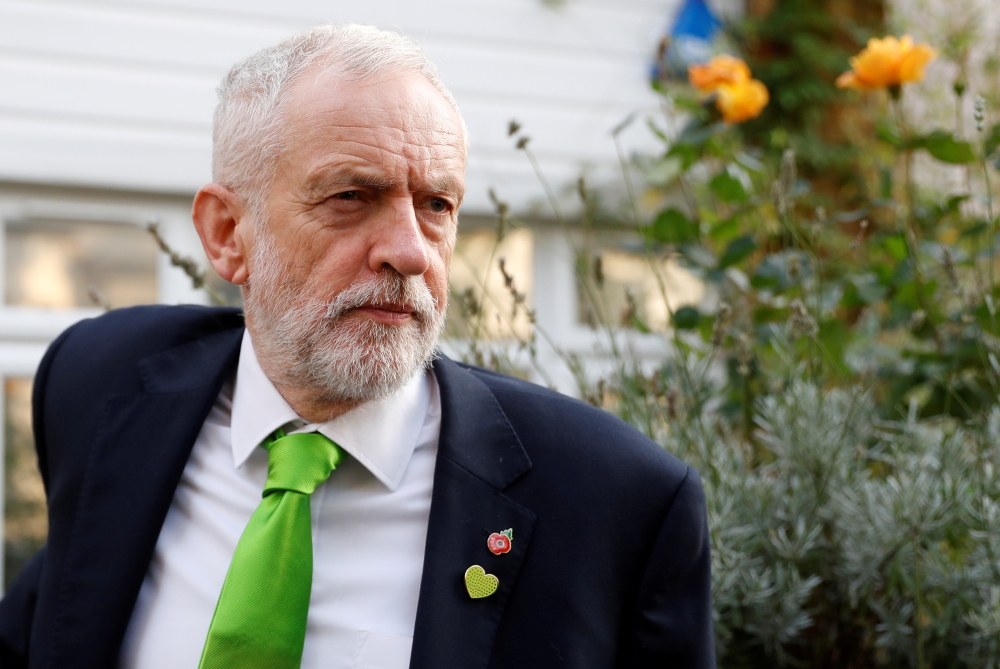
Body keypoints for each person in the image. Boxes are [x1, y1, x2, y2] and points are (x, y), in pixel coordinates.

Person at [0, 24, 714, 669]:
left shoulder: (613, 500)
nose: (409, 251)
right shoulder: (100, 382)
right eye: (349, 196)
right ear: (225, 233)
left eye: (437, 204)